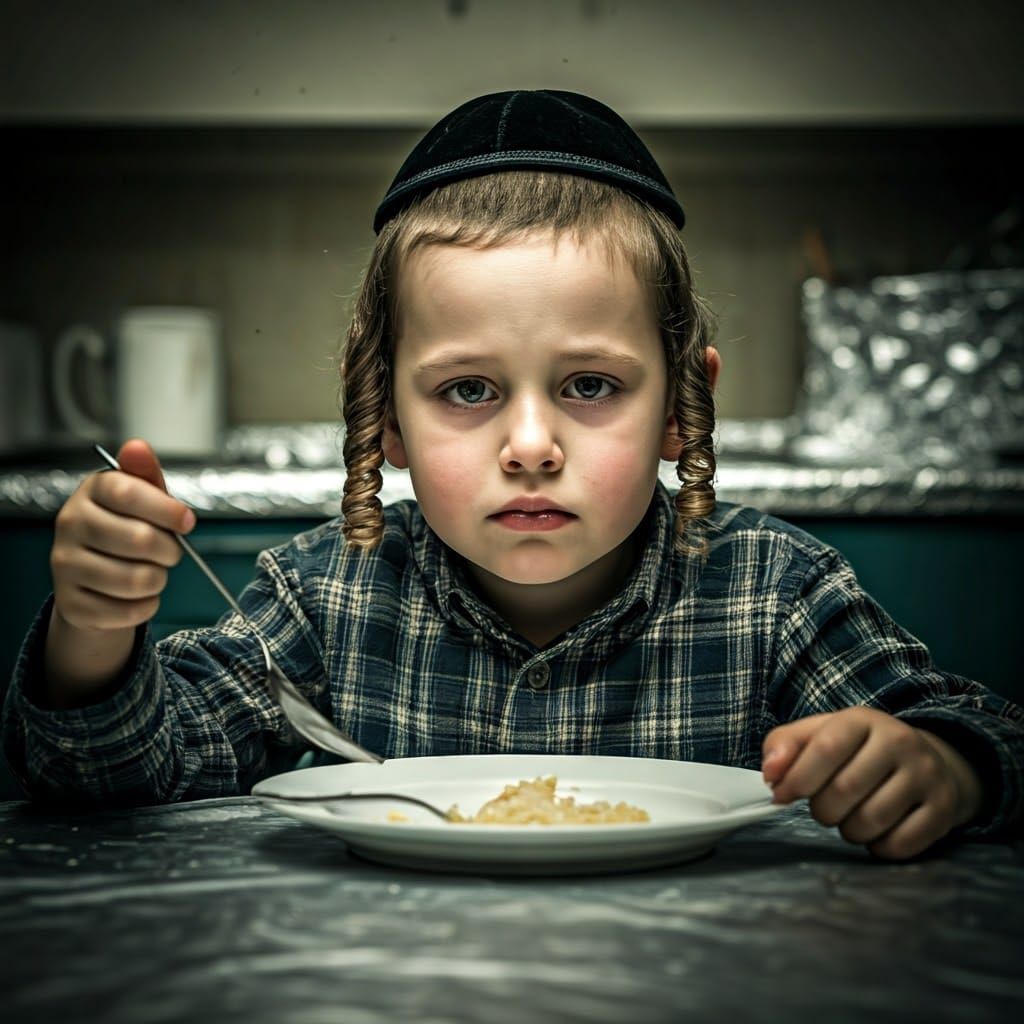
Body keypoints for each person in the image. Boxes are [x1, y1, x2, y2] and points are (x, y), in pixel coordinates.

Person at [3, 90, 1021, 860]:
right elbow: (127, 775)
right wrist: (93, 633)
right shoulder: (328, 597)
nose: (530, 444)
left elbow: (985, 729)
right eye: (466, 391)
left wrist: (944, 768)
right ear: (381, 417)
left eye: (588, 384)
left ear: (681, 409)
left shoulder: (771, 593)